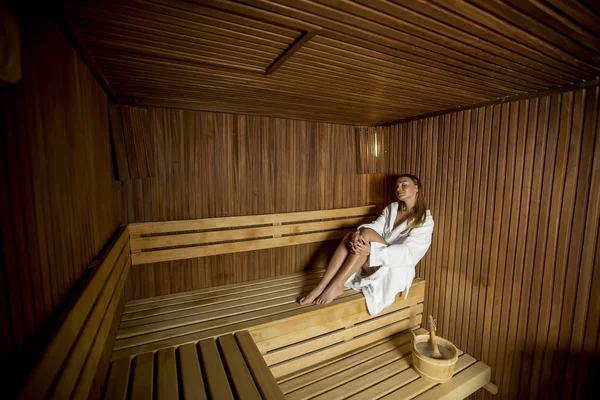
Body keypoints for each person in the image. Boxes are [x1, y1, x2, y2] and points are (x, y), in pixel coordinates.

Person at [298, 174, 434, 316]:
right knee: (350, 236)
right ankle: (321, 287)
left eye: (404, 184)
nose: (399, 188)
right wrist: (358, 233)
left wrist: (373, 250)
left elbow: (408, 254)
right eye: (397, 186)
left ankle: (337, 285)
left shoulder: (425, 219)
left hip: (396, 267)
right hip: (375, 260)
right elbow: (376, 227)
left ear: (416, 187)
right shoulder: (391, 209)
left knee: (366, 234)